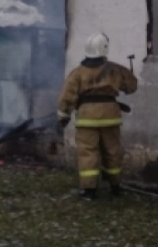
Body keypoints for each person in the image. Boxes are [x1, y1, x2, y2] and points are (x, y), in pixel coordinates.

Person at [57, 33, 138, 199]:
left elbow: (66, 97)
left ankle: (89, 190)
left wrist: (63, 117)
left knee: (88, 152)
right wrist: (130, 74)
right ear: (104, 49)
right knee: (112, 150)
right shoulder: (115, 70)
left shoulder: (77, 74)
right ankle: (116, 186)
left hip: (87, 119)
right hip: (111, 116)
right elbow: (131, 87)